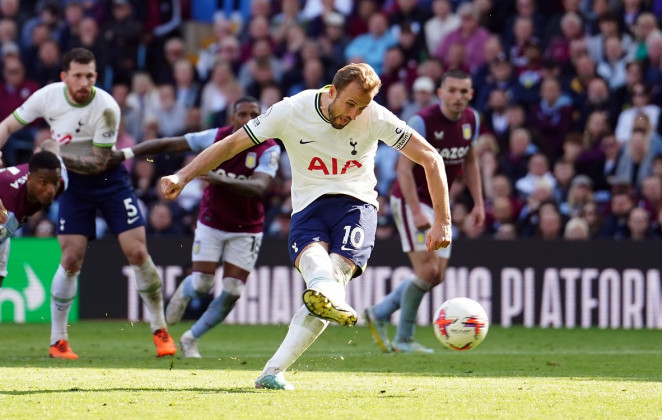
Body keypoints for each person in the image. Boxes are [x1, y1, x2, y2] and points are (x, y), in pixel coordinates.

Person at [160, 63, 451, 390]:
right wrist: (183, 176)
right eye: (349, 105)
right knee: (321, 280)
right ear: (332, 92)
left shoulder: (376, 116)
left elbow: (430, 157)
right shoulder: (291, 110)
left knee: (331, 280)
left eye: (363, 107)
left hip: (356, 204)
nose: (354, 115)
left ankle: (273, 369)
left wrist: (443, 219)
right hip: (309, 206)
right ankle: (318, 312)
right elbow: (231, 145)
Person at [0, 48, 176, 359]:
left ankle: (160, 328)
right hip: (69, 183)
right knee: (70, 259)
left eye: (90, 75)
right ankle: (58, 340)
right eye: (78, 76)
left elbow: (97, 163)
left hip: (109, 181)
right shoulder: (47, 96)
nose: (85, 82)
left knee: (137, 251)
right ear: (64, 77)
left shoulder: (106, 106)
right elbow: (7, 127)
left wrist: (54, 153)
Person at [110, 97, 280, 358]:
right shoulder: (215, 137)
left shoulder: (269, 148)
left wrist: (216, 178)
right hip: (212, 221)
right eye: (242, 114)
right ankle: (183, 292)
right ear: (232, 118)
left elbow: (259, 187)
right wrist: (128, 153)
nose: (248, 120)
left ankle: (191, 338)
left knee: (234, 289)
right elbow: (172, 143)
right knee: (202, 283)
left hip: (247, 227)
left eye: (253, 115)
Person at [364, 69, 485, 354]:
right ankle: (403, 338)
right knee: (427, 269)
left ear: (471, 94)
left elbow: (470, 162)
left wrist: (479, 203)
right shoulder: (423, 121)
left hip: (438, 203)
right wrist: (416, 211)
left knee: (436, 275)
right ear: (441, 93)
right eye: (452, 90)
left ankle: (379, 312)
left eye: (463, 91)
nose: (458, 97)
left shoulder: (472, 120)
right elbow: (403, 169)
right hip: (411, 200)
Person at [0, 140, 65, 288]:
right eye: (44, 183)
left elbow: (50, 143)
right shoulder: (7, 193)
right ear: (29, 179)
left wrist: (50, 152)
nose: (51, 190)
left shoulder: (57, 177)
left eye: (54, 183)